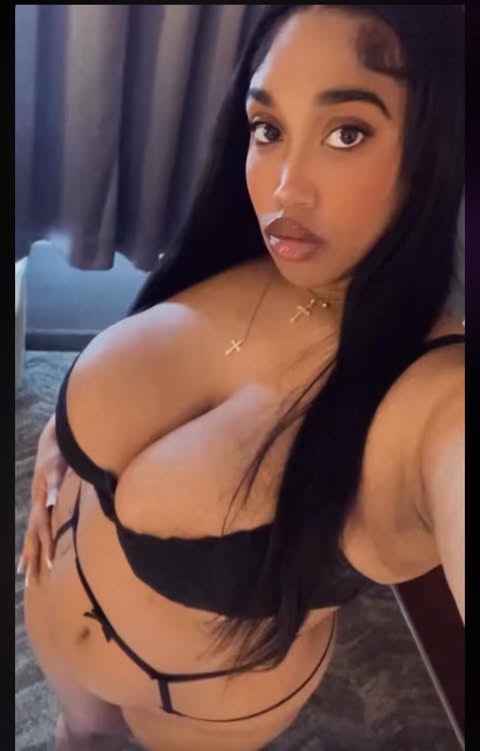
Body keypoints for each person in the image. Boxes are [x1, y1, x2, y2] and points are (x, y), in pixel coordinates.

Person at [18, 5, 465, 751]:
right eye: (268, 128)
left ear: (431, 148)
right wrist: (65, 435)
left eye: (347, 132)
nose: (285, 189)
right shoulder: (236, 252)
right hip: (66, 647)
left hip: (197, 709)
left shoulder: (429, 395)